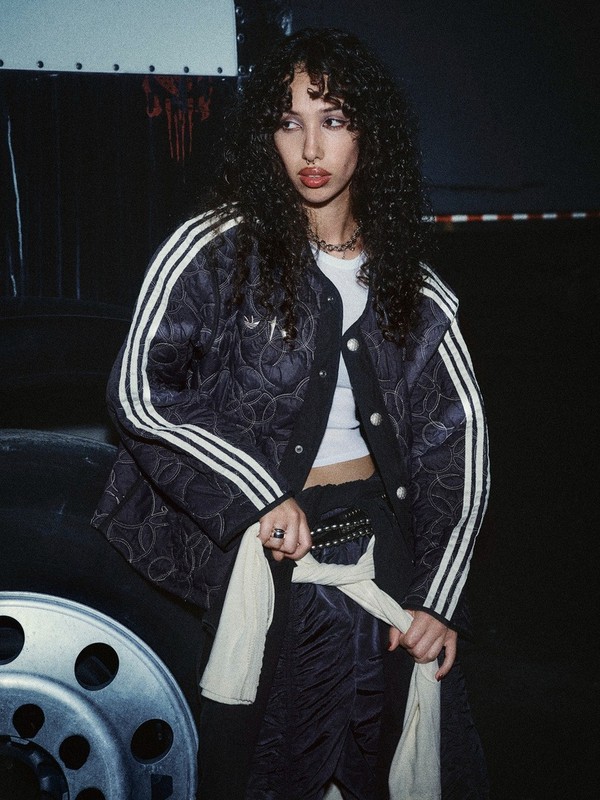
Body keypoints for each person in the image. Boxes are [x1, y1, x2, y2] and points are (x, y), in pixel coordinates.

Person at [93, 27, 490, 800]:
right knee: (262, 770)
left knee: (385, 767)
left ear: (369, 136)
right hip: (266, 565)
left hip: (379, 565)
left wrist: (438, 600)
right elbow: (139, 391)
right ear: (265, 136)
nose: (310, 147)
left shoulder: (415, 290)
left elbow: (457, 446)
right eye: (288, 121)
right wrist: (256, 494)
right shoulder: (217, 250)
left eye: (333, 120)